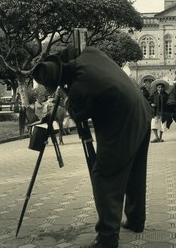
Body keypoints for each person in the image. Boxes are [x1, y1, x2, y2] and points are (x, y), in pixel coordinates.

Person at [31, 47, 152, 248]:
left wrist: (66, 95)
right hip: (142, 112)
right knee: (135, 172)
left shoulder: (80, 86)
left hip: (121, 123)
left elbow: (79, 113)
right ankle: (136, 219)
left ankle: (107, 237)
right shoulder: (91, 54)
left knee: (104, 176)